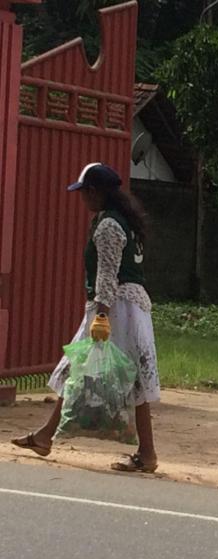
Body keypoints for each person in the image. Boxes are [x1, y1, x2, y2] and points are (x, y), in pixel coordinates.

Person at [12, 163, 161, 473]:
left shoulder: (108, 225)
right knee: (120, 377)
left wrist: (102, 315)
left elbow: (107, 274)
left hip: (115, 307)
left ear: (95, 192)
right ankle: (46, 435)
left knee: (81, 369)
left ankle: (145, 453)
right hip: (131, 308)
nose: (82, 199)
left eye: (84, 193)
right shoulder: (127, 222)